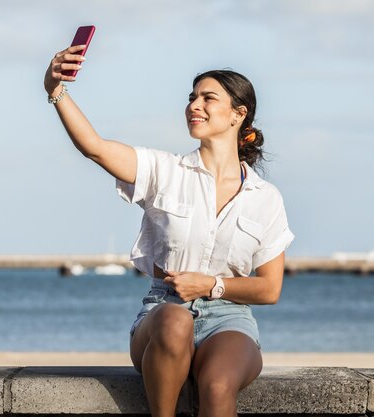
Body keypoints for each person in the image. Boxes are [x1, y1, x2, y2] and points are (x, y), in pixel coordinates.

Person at [44, 44, 294, 417]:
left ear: (237, 115)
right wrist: (55, 89)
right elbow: (94, 147)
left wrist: (211, 285)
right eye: (192, 97)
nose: (194, 105)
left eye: (208, 98)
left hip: (230, 319)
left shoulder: (265, 198)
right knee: (176, 319)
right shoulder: (165, 171)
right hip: (162, 312)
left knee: (217, 385)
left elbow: (269, 288)